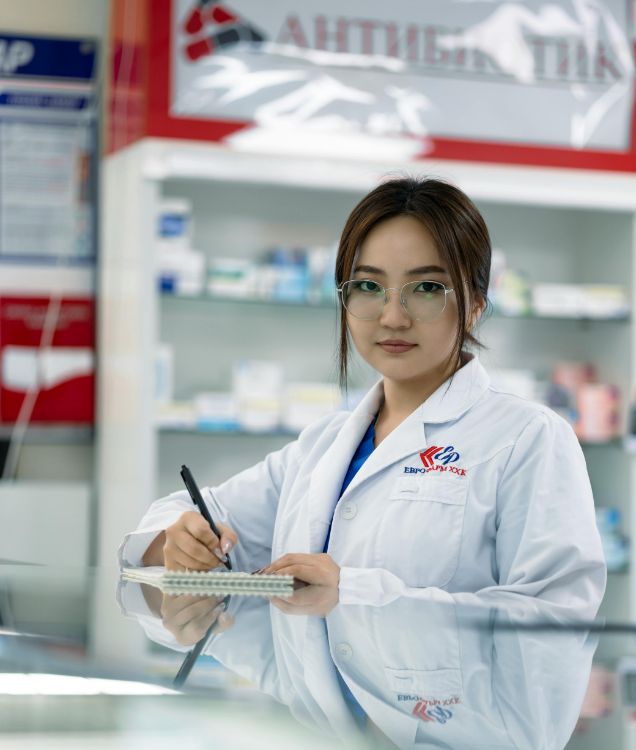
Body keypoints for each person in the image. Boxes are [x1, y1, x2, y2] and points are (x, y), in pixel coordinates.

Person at [119, 177, 606, 617]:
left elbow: (556, 619)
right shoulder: (324, 445)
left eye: (427, 288)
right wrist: (179, 541)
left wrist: (354, 591)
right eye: (369, 286)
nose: (393, 317)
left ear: (476, 304)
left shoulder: (528, 438)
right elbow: (193, 517)